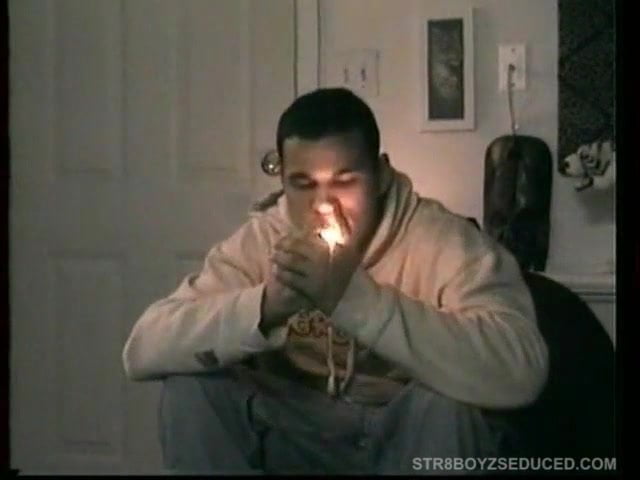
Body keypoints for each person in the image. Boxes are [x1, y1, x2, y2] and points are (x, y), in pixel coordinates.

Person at [122, 87, 549, 475]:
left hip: (405, 433)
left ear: (381, 175)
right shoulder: (264, 239)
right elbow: (143, 349)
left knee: (450, 405)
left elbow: (522, 370)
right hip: (298, 429)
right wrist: (265, 308)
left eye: (345, 181)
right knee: (192, 389)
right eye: (303, 184)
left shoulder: (444, 241)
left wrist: (355, 299)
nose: (324, 206)